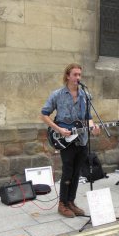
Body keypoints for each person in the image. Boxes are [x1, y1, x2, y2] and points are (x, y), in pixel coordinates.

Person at [41, 63, 100, 218]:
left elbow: (88, 118)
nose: (78, 78)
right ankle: (62, 204)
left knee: (77, 172)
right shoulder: (57, 95)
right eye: (75, 74)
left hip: (81, 139)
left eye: (80, 75)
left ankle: (71, 202)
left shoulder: (85, 96)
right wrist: (58, 129)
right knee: (68, 171)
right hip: (65, 139)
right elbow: (44, 115)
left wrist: (93, 127)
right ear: (68, 76)